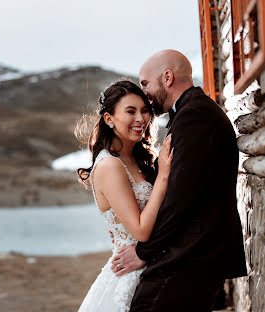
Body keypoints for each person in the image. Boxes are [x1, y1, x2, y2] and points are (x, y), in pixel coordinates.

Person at [111, 50, 247, 311]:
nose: (144, 92)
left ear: (168, 77)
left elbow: (180, 199)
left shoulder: (194, 116)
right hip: (193, 254)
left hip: (191, 256)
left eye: (145, 83)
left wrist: (143, 253)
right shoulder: (190, 113)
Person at [76, 79, 173, 312]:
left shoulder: (139, 159)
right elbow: (140, 230)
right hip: (129, 273)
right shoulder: (109, 166)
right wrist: (163, 178)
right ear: (109, 119)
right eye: (130, 111)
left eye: (144, 111)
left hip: (152, 268)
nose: (141, 119)